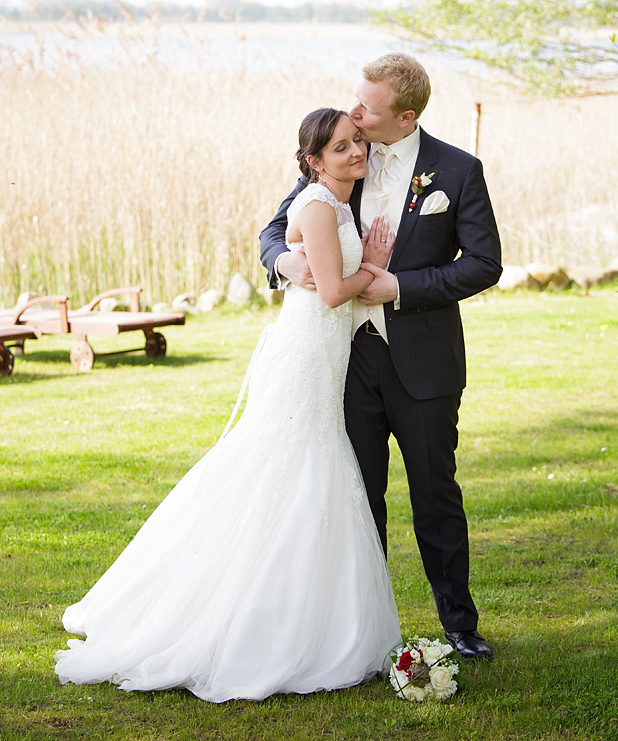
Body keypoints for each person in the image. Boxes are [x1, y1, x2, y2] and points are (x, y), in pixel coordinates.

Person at [54, 108, 402, 702]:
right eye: (340, 147)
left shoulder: (333, 204)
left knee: (305, 463)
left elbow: (311, 263)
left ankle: (306, 614)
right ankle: (236, 615)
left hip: (323, 354)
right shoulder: (319, 204)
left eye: (358, 142)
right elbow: (332, 289)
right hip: (308, 350)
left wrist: (313, 260)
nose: (355, 153)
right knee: (286, 460)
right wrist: (371, 265)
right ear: (314, 161)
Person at [260, 54, 502, 662]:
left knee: (435, 495)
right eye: (356, 101)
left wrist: (402, 288)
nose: (356, 113)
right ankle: (362, 631)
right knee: (355, 496)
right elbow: (276, 229)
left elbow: (483, 263)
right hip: (343, 361)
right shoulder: (345, 151)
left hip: (423, 363)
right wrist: (285, 264)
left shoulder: (458, 170)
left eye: (368, 106)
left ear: (407, 115)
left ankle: (459, 624)